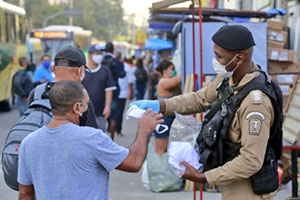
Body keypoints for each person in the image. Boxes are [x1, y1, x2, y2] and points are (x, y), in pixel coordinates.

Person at [131, 25, 282, 200]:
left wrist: (204, 178)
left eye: (219, 56)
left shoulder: (256, 103)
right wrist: (161, 105)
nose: (215, 60)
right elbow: (200, 99)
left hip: (248, 189)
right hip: (230, 178)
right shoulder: (229, 78)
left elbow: (251, 160)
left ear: (239, 58)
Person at [18, 80, 163, 200]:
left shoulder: (28, 143)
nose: (87, 109)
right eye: (86, 104)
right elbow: (134, 162)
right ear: (77, 107)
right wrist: (144, 130)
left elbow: (25, 194)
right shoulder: (92, 138)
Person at [27, 46, 98, 128]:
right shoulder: (81, 97)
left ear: (53, 69)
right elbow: (92, 133)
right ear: (80, 71)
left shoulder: (36, 93)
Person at [83, 44, 116, 132]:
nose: (99, 56)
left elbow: (109, 90)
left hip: (100, 113)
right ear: (89, 55)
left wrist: (108, 106)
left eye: (101, 54)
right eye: (97, 53)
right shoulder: (82, 71)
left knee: (100, 135)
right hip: (84, 113)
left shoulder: (105, 71)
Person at [152, 60, 181, 155]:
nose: (174, 71)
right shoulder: (163, 82)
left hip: (172, 117)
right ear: (165, 71)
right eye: (172, 69)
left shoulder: (172, 82)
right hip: (164, 118)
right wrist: (187, 70)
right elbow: (177, 80)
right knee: (162, 148)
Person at [102, 42, 126, 140]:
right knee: (114, 116)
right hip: (114, 90)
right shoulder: (117, 62)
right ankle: (111, 139)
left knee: (101, 114)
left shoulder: (100, 61)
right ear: (113, 50)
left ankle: (103, 136)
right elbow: (122, 74)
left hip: (101, 90)